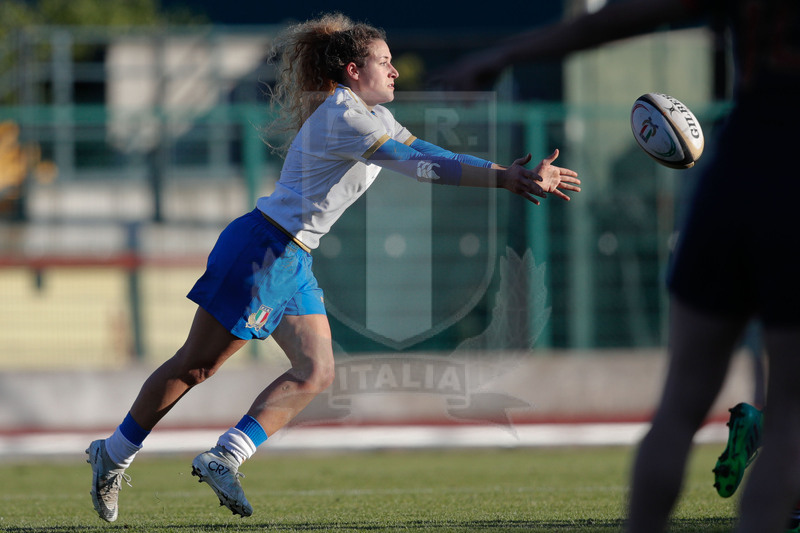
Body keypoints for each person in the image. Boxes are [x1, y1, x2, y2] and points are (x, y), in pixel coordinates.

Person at [85, 13, 581, 522]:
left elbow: (424, 150)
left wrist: (507, 172)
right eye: (383, 62)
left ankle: (224, 457)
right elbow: (421, 169)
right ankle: (115, 453)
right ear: (351, 70)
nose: (394, 72)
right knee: (196, 366)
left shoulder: (373, 115)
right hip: (265, 250)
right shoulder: (345, 116)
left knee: (316, 372)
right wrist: (505, 181)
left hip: (293, 257)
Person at [439, 1, 800, 532]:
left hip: (733, 168)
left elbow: (620, 16)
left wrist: (502, 55)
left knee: (681, 402)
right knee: (792, 411)